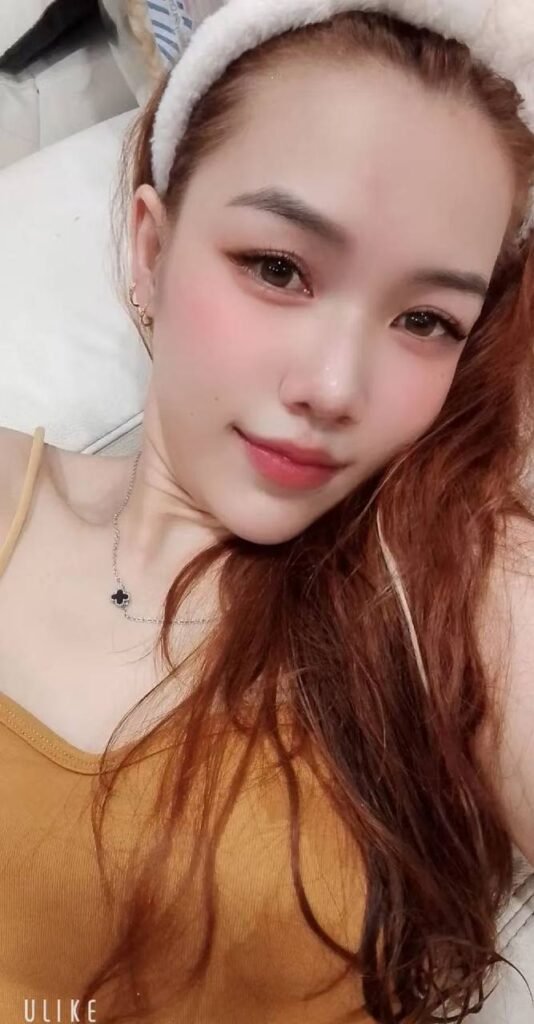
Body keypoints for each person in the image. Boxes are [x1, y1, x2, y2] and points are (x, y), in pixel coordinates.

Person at [1, 1, 534, 1021]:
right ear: (150, 251)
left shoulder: (450, 581)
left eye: (426, 320)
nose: (335, 387)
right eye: (278, 268)